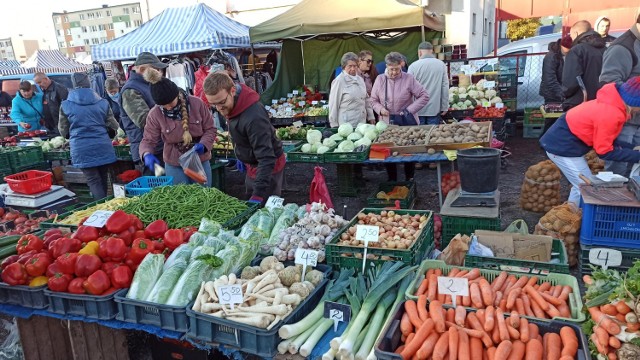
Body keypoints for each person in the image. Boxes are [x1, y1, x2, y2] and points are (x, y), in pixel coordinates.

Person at [540, 76, 640, 206]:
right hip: (562, 146)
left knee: (583, 185)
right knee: (585, 186)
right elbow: (604, 152)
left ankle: (573, 215)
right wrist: (637, 157)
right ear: (635, 103)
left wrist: (632, 148)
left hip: (566, 142)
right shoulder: (611, 114)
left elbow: (607, 140)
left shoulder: (612, 104)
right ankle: (572, 219)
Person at [203, 72, 285, 204]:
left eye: (222, 102)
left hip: (267, 168)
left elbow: (267, 157)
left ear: (233, 91)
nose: (218, 108)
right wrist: (241, 153)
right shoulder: (233, 105)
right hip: (252, 163)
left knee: (266, 212)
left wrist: (258, 193)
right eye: (213, 105)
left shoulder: (254, 118)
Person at [139, 68, 216, 186]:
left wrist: (204, 145)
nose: (169, 107)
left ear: (177, 95)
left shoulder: (197, 104)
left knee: (204, 196)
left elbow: (210, 129)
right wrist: (146, 154)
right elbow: (148, 140)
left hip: (199, 160)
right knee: (180, 199)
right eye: (164, 105)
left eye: (171, 103)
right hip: (174, 164)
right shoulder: (155, 114)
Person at [371, 52, 429, 182]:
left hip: (406, 122)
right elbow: (373, 100)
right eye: (391, 69)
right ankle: (392, 180)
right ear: (387, 66)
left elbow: (424, 96)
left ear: (401, 65)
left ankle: (409, 177)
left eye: (397, 69)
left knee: (408, 150)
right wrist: (380, 110)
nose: (394, 72)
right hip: (387, 122)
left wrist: (410, 110)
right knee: (389, 151)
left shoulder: (409, 78)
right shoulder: (380, 79)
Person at [59, 73, 119, 200]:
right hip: (102, 144)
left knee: (93, 179)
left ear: (74, 84)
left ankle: (102, 207)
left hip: (81, 146)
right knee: (103, 177)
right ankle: (106, 205)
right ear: (89, 83)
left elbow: (63, 129)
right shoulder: (102, 102)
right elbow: (113, 124)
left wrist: (70, 136)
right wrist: (113, 133)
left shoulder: (65, 105)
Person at [600, 15, 640, 175]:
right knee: (619, 173)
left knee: (635, 172)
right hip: (625, 125)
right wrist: (635, 99)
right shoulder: (622, 48)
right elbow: (608, 82)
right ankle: (614, 200)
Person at [119, 52, 166, 172]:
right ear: (142, 69)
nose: (159, 72)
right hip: (148, 151)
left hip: (160, 146)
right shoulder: (131, 90)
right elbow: (144, 120)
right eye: (155, 69)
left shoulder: (150, 85)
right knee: (155, 189)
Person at [561, 20, 606, 111]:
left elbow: (570, 82)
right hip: (603, 101)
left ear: (576, 33)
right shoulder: (606, 49)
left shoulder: (576, 50)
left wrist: (564, 94)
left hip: (581, 103)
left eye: (571, 35)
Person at [329, 52, 375, 128]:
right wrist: (334, 124)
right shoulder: (339, 81)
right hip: (346, 124)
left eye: (355, 66)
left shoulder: (360, 80)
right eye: (350, 66)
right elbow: (333, 104)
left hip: (361, 123)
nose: (353, 69)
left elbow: (366, 99)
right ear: (343, 67)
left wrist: (371, 116)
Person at [408, 41, 449, 125]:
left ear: (419, 52)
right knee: (433, 135)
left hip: (418, 109)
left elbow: (408, 88)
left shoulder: (413, 66)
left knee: (419, 136)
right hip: (434, 108)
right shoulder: (441, 65)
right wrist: (445, 106)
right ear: (432, 51)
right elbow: (445, 87)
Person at [540, 40, 565, 135]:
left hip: (558, 92)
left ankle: (548, 140)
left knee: (555, 120)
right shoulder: (551, 57)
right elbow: (550, 79)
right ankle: (545, 141)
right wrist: (562, 94)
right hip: (551, 93)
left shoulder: (564, 55)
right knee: (551, 120)